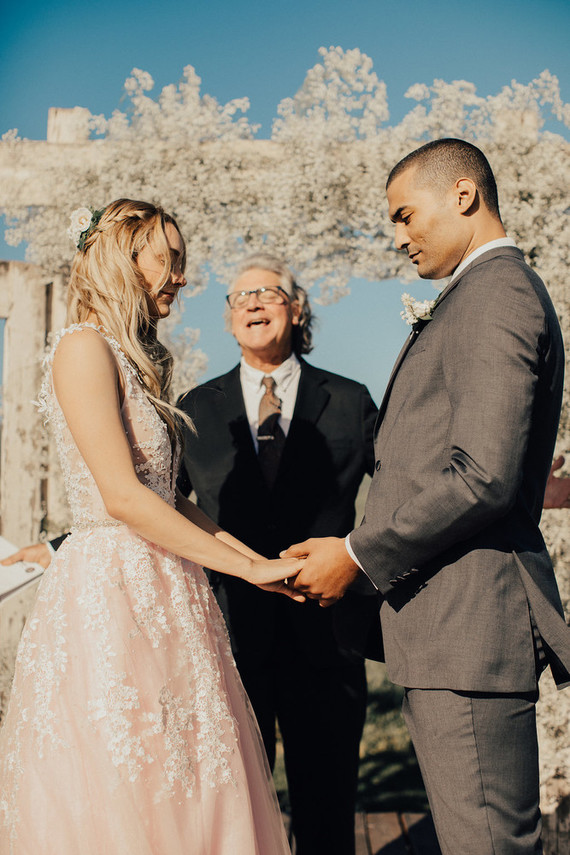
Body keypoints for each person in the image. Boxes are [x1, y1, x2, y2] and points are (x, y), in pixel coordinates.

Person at [282, 139, 570, 855]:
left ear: (464, 195)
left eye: (407, 215)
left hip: (467, 630)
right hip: (449, 631)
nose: (400, 237)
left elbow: (484, 474)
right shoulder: (475, 296)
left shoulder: (495, 293)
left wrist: (357, 552)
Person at [0, 200, 303, 855]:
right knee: (128, 782)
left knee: (191, 781)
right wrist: (246, 569)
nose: (181, 278)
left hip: (169, 592)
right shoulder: (82, 349)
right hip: (110, 600)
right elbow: (122, 499)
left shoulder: (138, 359)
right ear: (123, 258)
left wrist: (259, 563)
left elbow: (167, 498)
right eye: (169, 260)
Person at [176, 253, 377, 855]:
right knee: (235, 813)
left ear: (297, 309)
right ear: (230, 319)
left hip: (327, 638)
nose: (254, 302)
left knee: (327, 811)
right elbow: (153, 499)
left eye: (268, 292)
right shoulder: (194, 406)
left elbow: (400, 497)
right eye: (240, 297)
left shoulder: (350, 399)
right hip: (230, 638)